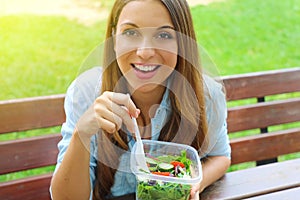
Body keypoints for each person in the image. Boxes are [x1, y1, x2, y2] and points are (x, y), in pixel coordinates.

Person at [50, 0, 231, 199]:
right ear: (114, 37)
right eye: (131, 32)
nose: (144, 52)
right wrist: (81, 134)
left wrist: (194, 183)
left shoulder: (206, 95)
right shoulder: (86, 92)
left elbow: (220, 156)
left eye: (163, 35)